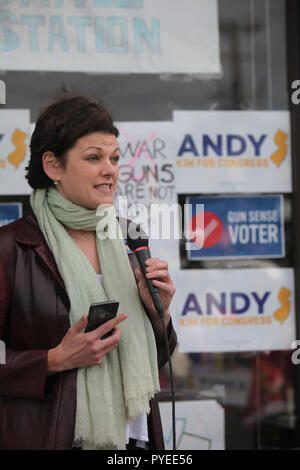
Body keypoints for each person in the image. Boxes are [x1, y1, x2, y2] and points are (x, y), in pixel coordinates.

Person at [0, 95, 177, 450]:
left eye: (114, 158)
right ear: (53, 165)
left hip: (134, 442)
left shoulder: (129, 238)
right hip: (52, 436)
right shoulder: (12, 247)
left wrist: (161, 313)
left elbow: (155, 359)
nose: (110, 169)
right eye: (93, 158)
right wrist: (53, 360)